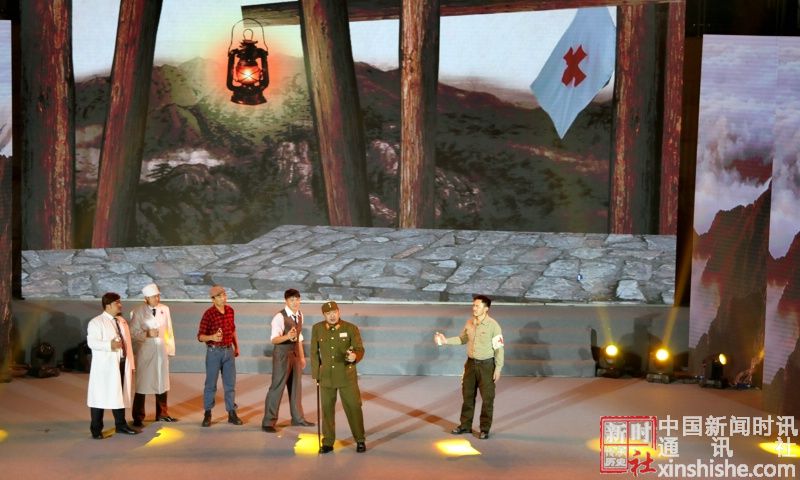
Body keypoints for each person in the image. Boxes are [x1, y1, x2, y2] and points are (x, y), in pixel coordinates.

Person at [434, 294, 504, 440]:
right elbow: (462, 339)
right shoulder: (469, 323)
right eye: (473, 305)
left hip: (487, 366)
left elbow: (499, 349)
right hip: (471, 365)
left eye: (477, 306)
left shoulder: (493, 326)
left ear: (486, 308)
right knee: (467, 396)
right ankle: (465, 425)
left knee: (487, 399)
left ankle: (484, 429)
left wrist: (498, 368)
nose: (474, 308)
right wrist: (445, 341)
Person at [311, 301, 366, 453]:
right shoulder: (317, 328)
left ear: (339, 312)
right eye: (328, 313)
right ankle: (328, 442)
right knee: (327, 410)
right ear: (324, 315)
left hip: (346, 376)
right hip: (326, 377)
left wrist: (355, 356)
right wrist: (316, 374)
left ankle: (360, 439)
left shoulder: (350, 328)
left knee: (354, 407)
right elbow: (314, 353)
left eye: (334, 312)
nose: (332, 316)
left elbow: (359, 349)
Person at [86, 292, 138, 439]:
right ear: (108, 305)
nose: (120, 305)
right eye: (117, 303)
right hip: (104, 368)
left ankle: (121, 425)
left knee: (119, 394)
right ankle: (96, 429)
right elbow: (92, 343)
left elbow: (128, 344)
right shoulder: (96, 322)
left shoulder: (121, 321)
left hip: (121, 364)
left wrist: (131, 364)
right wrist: (109, 345)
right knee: (100, 396)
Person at [261, 288, 314, 432]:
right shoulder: (279, 317)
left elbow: (299, 338)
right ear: (286, 301)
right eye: (292, 300)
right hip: (282, 355)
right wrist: (287, 337)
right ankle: (268, 422)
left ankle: (298, 418)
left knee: (296, 387)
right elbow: (274, 339)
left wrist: (302, 357)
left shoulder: (300, 315)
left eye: (297, 299)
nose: (295, 302)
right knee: (277, 387)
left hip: (295, 354)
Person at [129, 283, 177, 426]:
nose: (157, 298)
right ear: (146, 298)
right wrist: (147, 334)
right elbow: (132, 333)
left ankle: (162, 413)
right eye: (153, 296)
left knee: (162, 382)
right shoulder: (138, 311)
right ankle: (138, 416)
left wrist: (170, 349)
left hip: (161, 351)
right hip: (146, 351)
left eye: (158, 296)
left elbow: (169, 330)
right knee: (142, 384)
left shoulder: (164, 309)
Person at [196, 284, 243, 427]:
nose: (223, 298)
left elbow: (233, 330)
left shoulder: (230, 311)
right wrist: (212, 337)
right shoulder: (208, 314)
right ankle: (208, 413)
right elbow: (200, 336)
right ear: (213, 299)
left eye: (224, 295)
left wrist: (236, 346)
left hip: (228, 351)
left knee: (230, 384)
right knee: (210, 384)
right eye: (220, 296)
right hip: (214, 352)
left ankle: (231, 413)